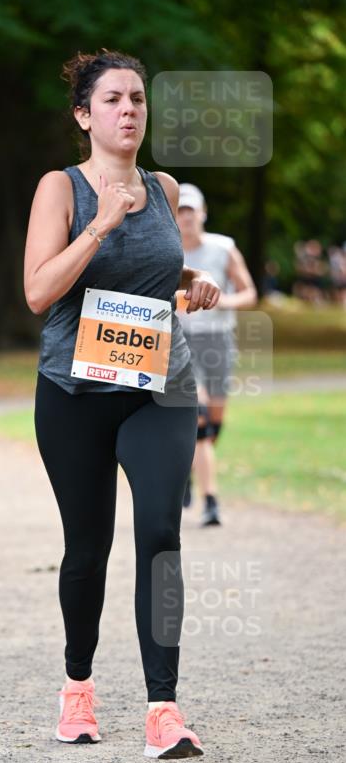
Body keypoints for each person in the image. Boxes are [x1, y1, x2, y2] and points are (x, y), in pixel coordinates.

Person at [25, 49, 220, 758]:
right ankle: (77, 687)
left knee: (160, 534)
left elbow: (153, 268)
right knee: (88, 548)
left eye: (136, 98)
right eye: (111, 99)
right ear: (84, 115)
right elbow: (38, 291)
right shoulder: (62, 188)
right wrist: (100, 223)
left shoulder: (164, 187)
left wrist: (190, 280)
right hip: (74, 392)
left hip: (159, 386)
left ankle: (163, 710)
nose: (128, 109)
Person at [175, 183, 257, 526]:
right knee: (199, 420)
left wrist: (224, 301)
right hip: (181, 341)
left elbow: (249, 292)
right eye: (180, 211)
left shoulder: (223, 248)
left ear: (203, 213)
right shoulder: (167, 250)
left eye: (191, 210)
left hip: (218, 341)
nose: (186, 217)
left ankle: (191, 470)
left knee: (214, 422)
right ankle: (211, 502)